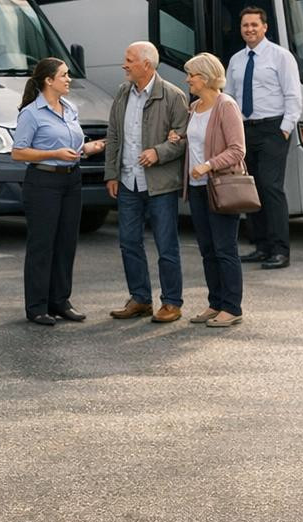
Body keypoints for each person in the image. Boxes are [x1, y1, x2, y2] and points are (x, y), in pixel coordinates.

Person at [10, 57, 105, 326]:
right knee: (43, 245)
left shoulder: (70, 108)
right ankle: (37, 306)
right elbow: (18, 153)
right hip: (43, 182)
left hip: (71, 180)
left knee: (66, 242)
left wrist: (86, 148)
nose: (69, 79)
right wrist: (53, 153)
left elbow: (72, 144)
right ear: (48, 81)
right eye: (64, 75)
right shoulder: (31, 113)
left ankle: (60, 301)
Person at [103, 41, 189, 323]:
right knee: (129, 243)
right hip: (128, 181)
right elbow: (114, 134)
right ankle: (140, 299)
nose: (124, 65)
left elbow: (182, 139)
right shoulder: (122, 92)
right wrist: (112, 174)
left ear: (147, 65)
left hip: (160, 185)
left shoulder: (174, 96)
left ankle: (172, 302)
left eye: (129, 60)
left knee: (166, 245)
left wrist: (158, 152)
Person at [224, 6, 302, 269]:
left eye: (254, 25)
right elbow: (230, 98)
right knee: (251, 187)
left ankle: (280, 250)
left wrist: (286, 128)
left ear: (265, 27)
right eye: (245, 25)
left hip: (273, 130)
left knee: (271, 187)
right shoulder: (236, 60)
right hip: (245, 131)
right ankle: (261, 246)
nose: (249, 29)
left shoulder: (281, 57)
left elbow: (293, 95)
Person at [180, 52, 248, 327]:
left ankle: (232, 307)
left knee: (224, 248)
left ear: (206, 78)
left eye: (191, 75)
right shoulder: (194, 107)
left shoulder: (225, 105)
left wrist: (208, 165)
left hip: (219, 186)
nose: (188, 80)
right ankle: (215, 303)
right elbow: (195, 142)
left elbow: (237, 150)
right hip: (197, 188)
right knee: (207, 249)